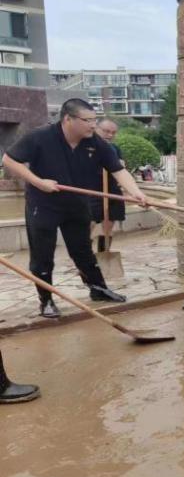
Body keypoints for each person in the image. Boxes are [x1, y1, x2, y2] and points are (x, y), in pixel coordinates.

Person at [2, 99, 148, 318]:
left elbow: (118, 170)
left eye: (94, 120)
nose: (92, 125)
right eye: (87, 120)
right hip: (43, 205)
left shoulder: (95, 143)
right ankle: (47, 300)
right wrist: (39, 182)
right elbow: (9, 160)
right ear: (68, 119)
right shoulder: (41, 137)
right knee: (43, 255)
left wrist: (136, 192)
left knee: (82, 250)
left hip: (77, 203)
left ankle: (98, 289)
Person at [90, 119, 126, 250]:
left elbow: (121, 167)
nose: (110, 135)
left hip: (112, 191)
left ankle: (103, 256)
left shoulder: (114, 148)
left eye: (113, 132)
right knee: (89, 225)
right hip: (92, 191)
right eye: (106, 131)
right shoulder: (86, 147)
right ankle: (84, 262)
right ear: (96, 129)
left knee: (108, 226)